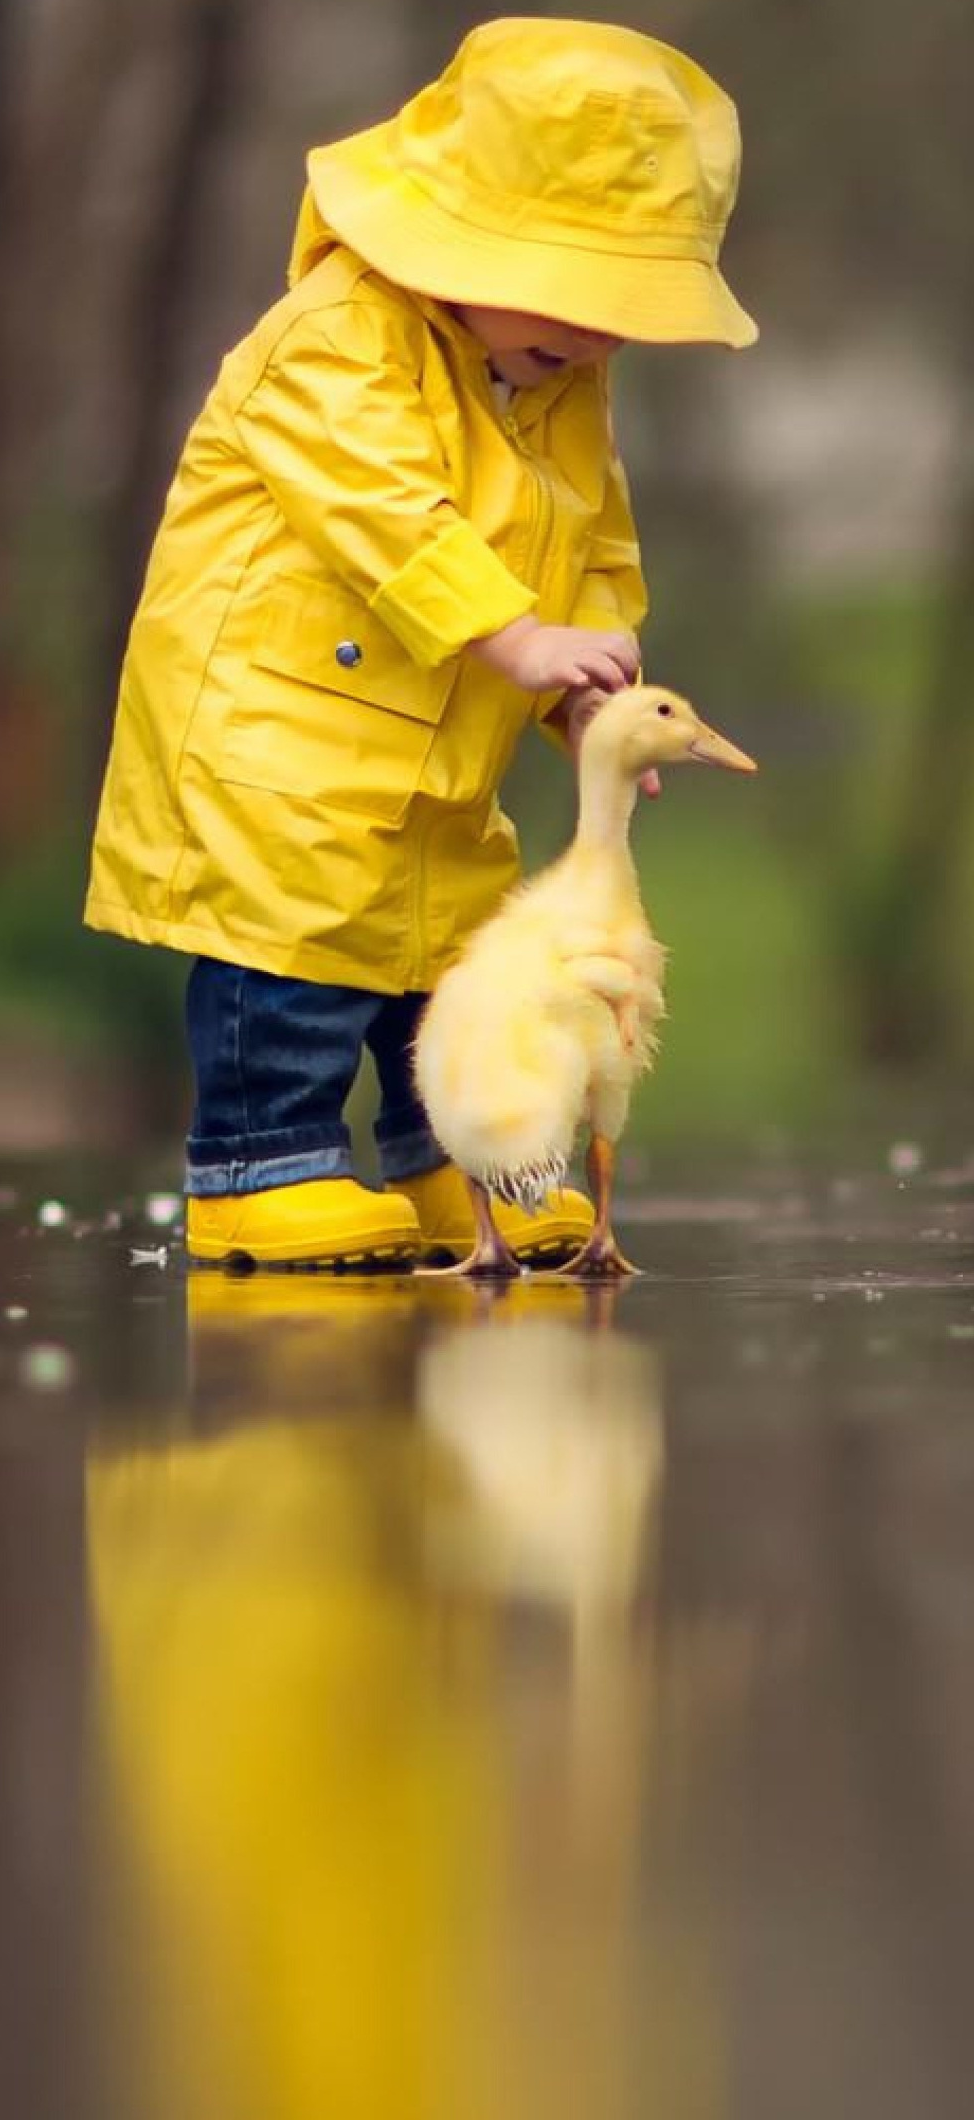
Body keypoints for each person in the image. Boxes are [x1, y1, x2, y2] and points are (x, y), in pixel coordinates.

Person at [85, 16, 757, 1269]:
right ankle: (256, 1166)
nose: (596, 339)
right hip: (276, 736)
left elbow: (596, 542)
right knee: (287, 952)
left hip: (440, 747)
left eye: (624, 314)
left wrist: (585, 686)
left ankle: (467, 1166)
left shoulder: (553, 382)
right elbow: (384, 506)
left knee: (454, 967)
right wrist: (509, 631)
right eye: (574, 296)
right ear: (454, 237)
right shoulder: (333, 338)